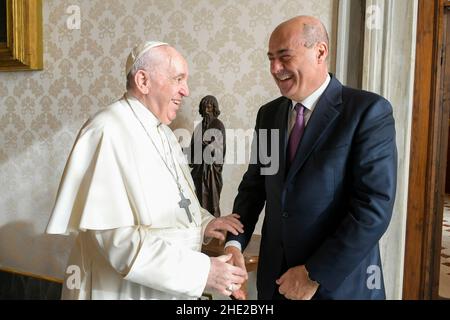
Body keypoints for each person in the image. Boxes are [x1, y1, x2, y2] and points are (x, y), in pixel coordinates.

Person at [46, 41, 247, 299]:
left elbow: (177, 204)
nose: (186, 91)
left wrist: (205, 223)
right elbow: (119, 244)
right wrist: (203, 272)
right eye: (178, 79)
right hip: (122, 291)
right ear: (143, 81)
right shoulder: (108, 130)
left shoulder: (163, 132)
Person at [225, 16, 397, 300]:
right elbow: (254, 188)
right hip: (274, 284)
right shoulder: (268, 115)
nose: (275, 69)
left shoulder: (368, 112)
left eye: (284, 57)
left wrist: (312, 273)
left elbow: (373, 208)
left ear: (320, 52)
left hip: (337, 287)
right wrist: (234, 243)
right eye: (270, 59)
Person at [188, 95, 226, 217]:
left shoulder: (218, 125)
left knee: (211, 200)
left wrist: (207, 146)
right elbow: (192, 147)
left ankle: (213, 225)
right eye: (204, 107)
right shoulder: (199, 127)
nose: (206, 111)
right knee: (197, 198)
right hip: (199, 170)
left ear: (214, 108)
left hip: (211, 172)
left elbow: (219, 149)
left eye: (209, 107)